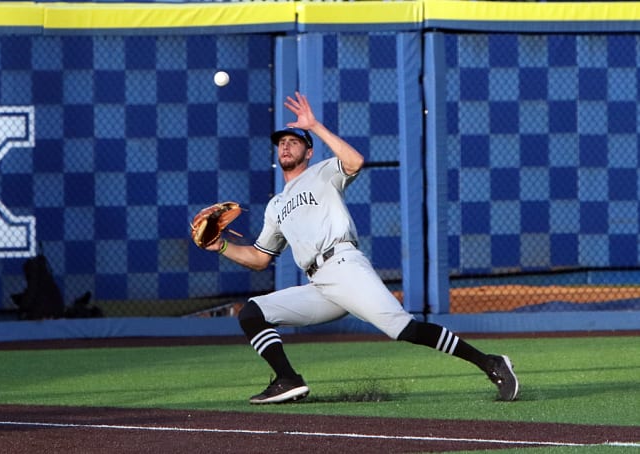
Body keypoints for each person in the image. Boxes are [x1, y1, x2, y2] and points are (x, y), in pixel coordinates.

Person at [205, 92, 519, 404]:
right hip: (320, 284)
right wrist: (220, 245)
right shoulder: (275, 206)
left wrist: (314, 125)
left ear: (309, 151)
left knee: (404, 329)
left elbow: (355, 161)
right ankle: (287, 379)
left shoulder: (323, 172)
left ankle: (491, 363)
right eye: (282, 142)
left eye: (294, 141)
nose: (286, 145)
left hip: (343, 266)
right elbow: (259, 258)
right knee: (252, 313)